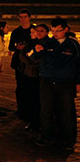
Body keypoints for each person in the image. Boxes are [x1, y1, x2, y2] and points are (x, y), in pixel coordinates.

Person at [33, 17, 80, 150]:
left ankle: (67, 139)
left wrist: (78, 82)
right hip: (47, 81)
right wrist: (36, 51)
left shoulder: (73, 45)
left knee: (66, 111)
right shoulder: (46, 43)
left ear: (65, 30)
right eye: (53, 31)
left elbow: (78, 65)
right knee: (46, 110)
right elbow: (32, 57)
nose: (55, 34)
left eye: (58, 31)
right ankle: (47, 136)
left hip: (66, 82)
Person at [9, 9, 33, 121]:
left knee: (31, 87)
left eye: (25, 17)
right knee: (20, 87)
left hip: (32, 63)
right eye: (21, 17)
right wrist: (17, 47)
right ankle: (21, 108)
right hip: (19, 63)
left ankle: (31, 108)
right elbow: (10, 47)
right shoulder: (16, 32)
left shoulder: (33, 30)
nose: (23, 19)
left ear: (29, 17)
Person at [17, 24, 42, 132]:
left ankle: (37, 122)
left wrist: (29, 60)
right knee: (30, 98)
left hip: (36, 75)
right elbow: (23, 55)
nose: (31, 34)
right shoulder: (30, 43)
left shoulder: (40, 44)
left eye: (33, 32)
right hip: (28, 73)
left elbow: (35, 59)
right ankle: (31, 120)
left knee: (36, 99)